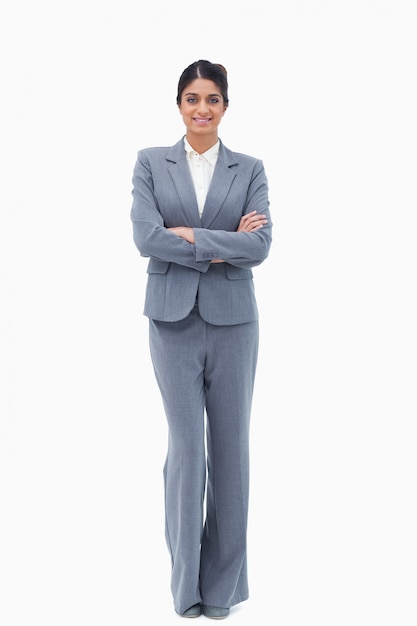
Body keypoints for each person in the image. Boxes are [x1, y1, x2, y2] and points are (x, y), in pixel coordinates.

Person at [130, 59, 273, 620]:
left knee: (232, 452)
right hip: (171, 322)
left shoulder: (250, 168)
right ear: (179, 105)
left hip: (236, 320)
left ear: (225, 107)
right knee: (188, 453)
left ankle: (221, 593)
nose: (202, 109)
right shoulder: (150, 163)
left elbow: (261, 247)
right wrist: (220, 241)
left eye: (212, 99)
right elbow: (146, 237)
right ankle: (185, 591)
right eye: (192, 98)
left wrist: (186, 235)